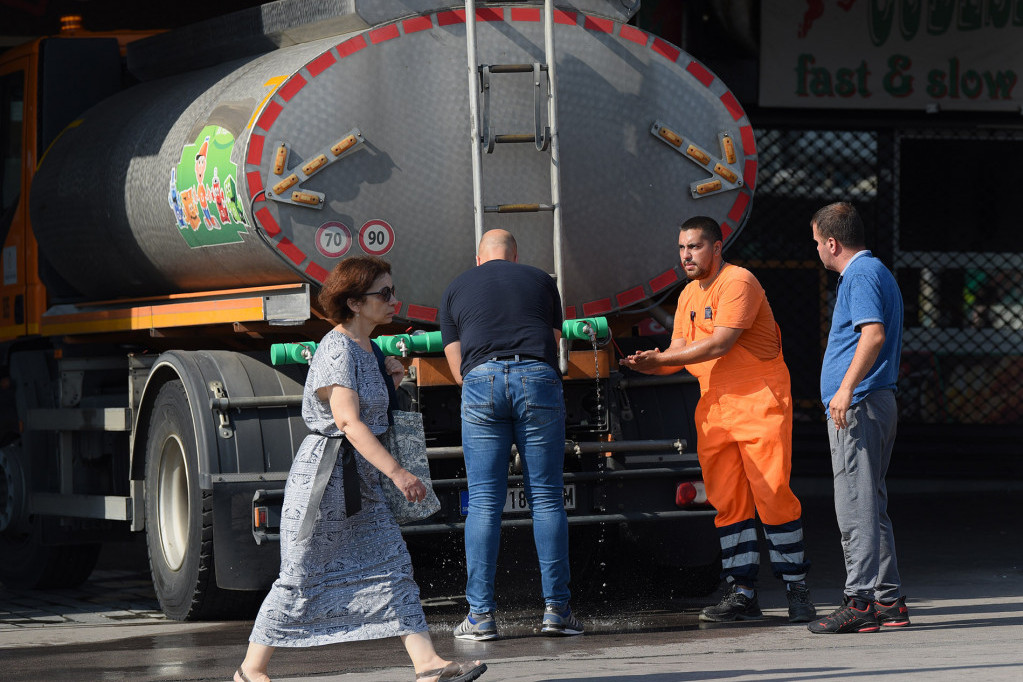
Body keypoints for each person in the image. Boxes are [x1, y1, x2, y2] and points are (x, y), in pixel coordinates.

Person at [235, 256, 487, 682]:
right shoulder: (336, 349)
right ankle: (251, 670)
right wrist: (399, 474)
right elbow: (349, 423)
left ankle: (427, 665)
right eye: (384, 294)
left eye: (392, 291)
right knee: (299, 575)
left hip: (361, 480)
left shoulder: (367, 348)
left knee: (393, 564)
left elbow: (371, 415)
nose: (394, 301)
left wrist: (392, 379)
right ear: (354, 302)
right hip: (327, 479)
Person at [620, 216, 815, 623]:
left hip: (759, 399)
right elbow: (676, 353)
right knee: (728, 502)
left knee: (772, 494)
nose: (686, 256)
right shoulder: (688, 294)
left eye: (694, 247)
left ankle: (798, 590)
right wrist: (646, 365)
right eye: (681, 248)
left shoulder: (738, 281)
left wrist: (662, 359)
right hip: (715, 407)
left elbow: (721, 341)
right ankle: (741, 592)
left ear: (717, 246)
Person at [439, 229, 583, 640]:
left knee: (484, 502)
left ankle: (481, 617)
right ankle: (557, 610)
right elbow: (553, 345)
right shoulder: (541, 282)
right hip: (537, 376)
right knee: (546, 497)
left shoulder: (455, 287)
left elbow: (457, 367)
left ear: (479, 257)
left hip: (480, 380)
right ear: (515, 256)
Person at [808, 202, 908, 634]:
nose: (816, 251)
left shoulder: (861, 275)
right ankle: (888, 600)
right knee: (871, 503)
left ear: (832, 243)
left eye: (816, 243)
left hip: (861, 404)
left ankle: (861, 601)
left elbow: (873, 333)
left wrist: (845, 390)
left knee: (855, 503)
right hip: (873, 401)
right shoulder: (876, 272)